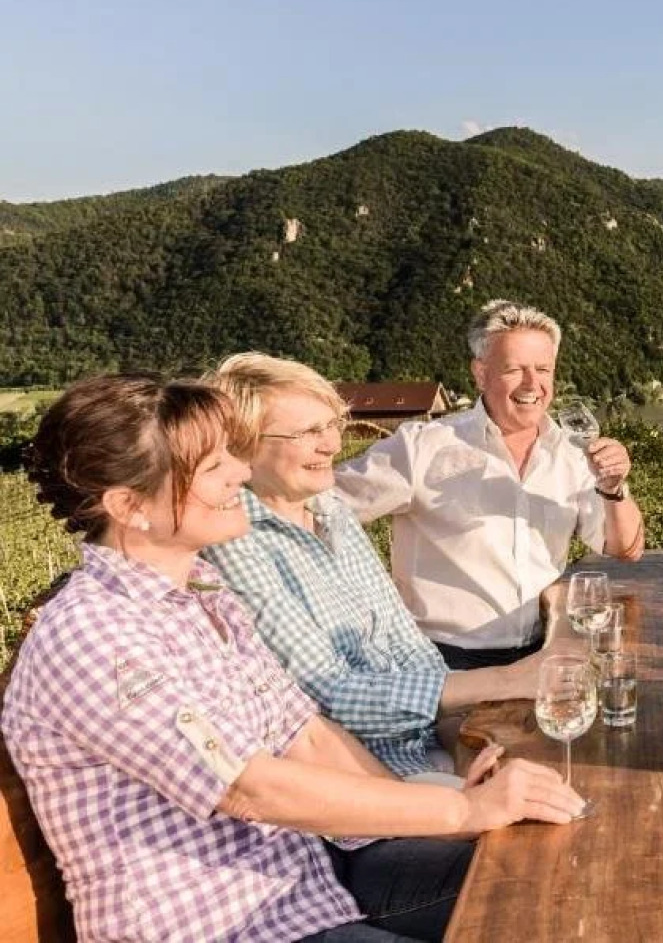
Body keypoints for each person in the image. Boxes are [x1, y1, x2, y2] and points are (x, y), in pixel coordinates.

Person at [1, 375, 584, 943]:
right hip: (226, 926)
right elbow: (247, 788)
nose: (239, 471)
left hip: (304, 896)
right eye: (212, 467)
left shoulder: (203, 595)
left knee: (559, 875)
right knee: (538, 897)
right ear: (129, 505)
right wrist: (462, 814)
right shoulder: (95, 636)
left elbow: (306, 733)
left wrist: (452, 802)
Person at [204, 353, 552, 780]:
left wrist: (464, 748)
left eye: (332, 425)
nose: (331, 444)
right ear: (244, 445)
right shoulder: (233, 539)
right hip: (358, 785)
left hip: (424, 755)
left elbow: (409, 646)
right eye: (308, 432)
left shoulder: (329, 509)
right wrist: (507, 681)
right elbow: (329, 696)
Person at [335, 300, 645, 670]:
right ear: (480, 374)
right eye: (514, 369)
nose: (533, 384)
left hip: (543, 654)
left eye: (543, 369)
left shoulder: (571, 454)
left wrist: (613, 487)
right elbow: (318, 502)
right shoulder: (422, 447)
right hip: (443, 662)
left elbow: (625, 548)